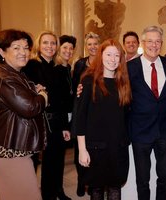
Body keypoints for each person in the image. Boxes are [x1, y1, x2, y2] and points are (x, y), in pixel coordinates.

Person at [0, 29, 48, 200]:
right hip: (9, 151)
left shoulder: (15, 73)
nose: (23, 52)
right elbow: (30, 107)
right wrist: (43, 96)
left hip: (14, 148)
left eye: (26, 47)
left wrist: (35, 93)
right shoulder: (3, 77)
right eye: (16, 48)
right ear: (1, 51)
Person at [73, 38, 131, 200]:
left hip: (117, 146)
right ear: (101, 55)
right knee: (96, 189)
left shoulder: (123, 82)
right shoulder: (88, 80)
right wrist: (82, 150)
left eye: (117, 55)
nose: (113, 59)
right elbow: (81, 117)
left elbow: (125, 115)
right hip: (95, 147)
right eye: (109, 54)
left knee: (115, 187)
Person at [127, 25, 166, 200]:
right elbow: (120, 96)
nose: (154, 45)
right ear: (142, 43)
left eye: (158, 41)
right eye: (150, 41)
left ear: (161, 43)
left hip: (165, 132)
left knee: (164, 178)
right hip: (140, 132)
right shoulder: (129, 67)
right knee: (142, 180)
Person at [23, 31, 71, 200]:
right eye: (45, 43)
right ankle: (47, 195)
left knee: (58, 160)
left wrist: (66, 126)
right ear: (39, 45)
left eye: (52, 43)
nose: (49, 46)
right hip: (39, 122)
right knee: (44, 163)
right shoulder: (31, 66)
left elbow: (64, 100)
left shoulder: (59, 68)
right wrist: (35, 89)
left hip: (58, 121)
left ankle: (59, 190)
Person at [72, 31, 100, 197]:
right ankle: (82, 181)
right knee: (79, 152)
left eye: (95, 44)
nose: (92, 47)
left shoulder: (106, 62)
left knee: (94, 151)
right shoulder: (80, 64)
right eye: (89, 44)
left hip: (98, 114)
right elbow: (75, 88)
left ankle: (93, 183)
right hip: (82, 111)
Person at [51, 34, 77, 199]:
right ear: (59, 49)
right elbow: (57, 100)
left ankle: (57, 189)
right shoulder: (56, 70)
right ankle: (54, 191)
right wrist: (63, 126)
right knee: (54, 160)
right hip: (58, 121)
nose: (68, 51)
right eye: (65, 47)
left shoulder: (68, 69)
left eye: (71, 48)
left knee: (59, 159)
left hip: (66, 118)